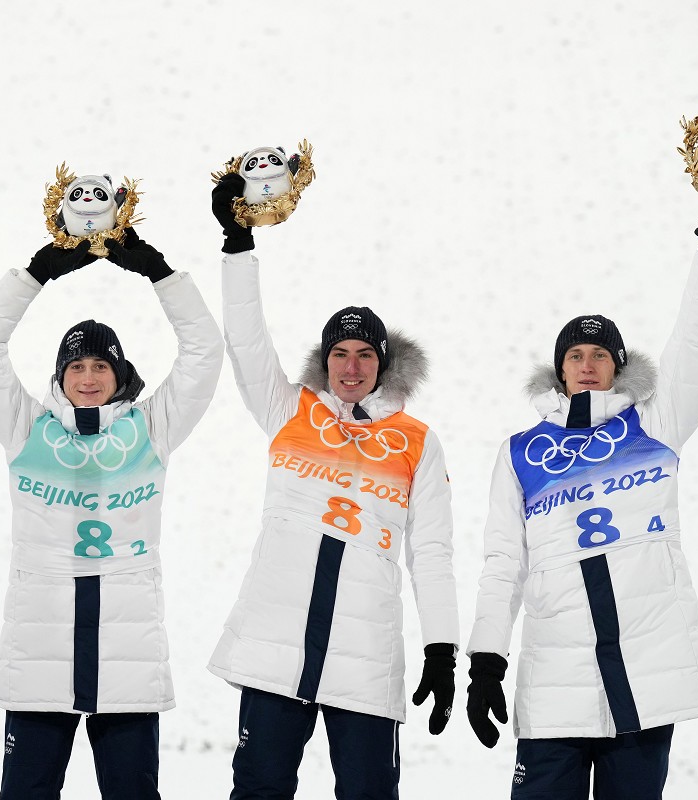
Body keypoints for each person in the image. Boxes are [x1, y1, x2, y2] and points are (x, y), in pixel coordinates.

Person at [464, 166, 698, 799]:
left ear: (620, 367)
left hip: (647, 674)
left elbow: (697, 342)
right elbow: (501, 564)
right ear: (559, 369)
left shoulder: (655, 426)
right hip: (556, 678)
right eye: (575, 355)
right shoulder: (521, 453)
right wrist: (486, 658)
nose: (588, 364)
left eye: (601, 355)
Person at [206, 173, 460, 799]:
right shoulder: (288, 408)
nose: (351, 367)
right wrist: (237, 246)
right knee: (259, 790)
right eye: (340, 353)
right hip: (276, 644)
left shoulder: (416, 440)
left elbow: (432, 552)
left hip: (365, 651)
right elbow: (245, 337)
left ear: (383, 364)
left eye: (365, 356)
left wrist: (442, 647)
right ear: (325, 360)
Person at [0, 230, 223, 800]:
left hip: (127, 660)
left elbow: (205, 351)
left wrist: (160, 274)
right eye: (75, 365)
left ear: (119, 375)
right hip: (39, 657)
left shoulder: (151, 429)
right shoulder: (26, 427)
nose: (87, 377)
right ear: (59, 376)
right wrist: (36, 274)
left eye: (100, 366)